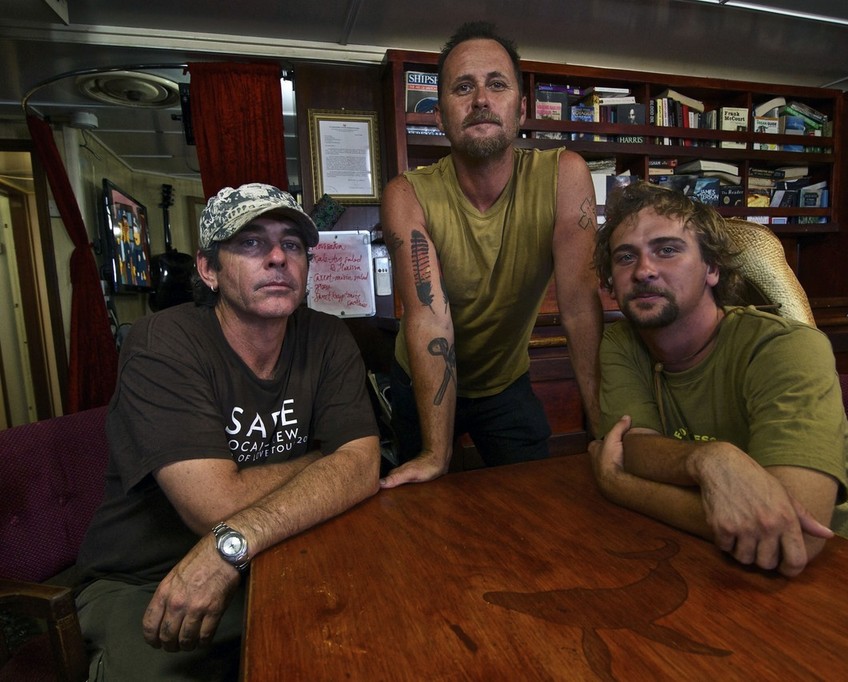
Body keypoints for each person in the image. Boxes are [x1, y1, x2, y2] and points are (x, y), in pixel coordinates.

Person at [74, 183, 381, 680]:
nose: (279, 257)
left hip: (270, 553)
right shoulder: (162, 344)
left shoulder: (327, 337)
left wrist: (235, 540)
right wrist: (325, 464)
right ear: (208, 269)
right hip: (149, 578)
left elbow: (364, 465)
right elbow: (214, 506)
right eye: (252, 243)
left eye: (294, 244)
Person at [589, 181, 848, 578]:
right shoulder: (621, 341)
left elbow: (793, 533)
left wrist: (619, 485)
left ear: (712, 268)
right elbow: (634, 445)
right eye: (625, 257)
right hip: (755, 571)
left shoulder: (785, 347)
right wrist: (708, 459)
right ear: (611, 280)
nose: (644, 270)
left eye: (667, 250)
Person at [379, 21, 604, 488]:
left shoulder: (565, 175)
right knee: (420, 506)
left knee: (534, 499)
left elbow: (580, 306)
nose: (481, 98)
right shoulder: (408, 193)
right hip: (421, 376)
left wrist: (602, 431)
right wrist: (436, 454)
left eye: (496, 84)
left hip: (505, 381)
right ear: (439, 114)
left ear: (520, 109)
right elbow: (427, 318)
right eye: (463, 87)